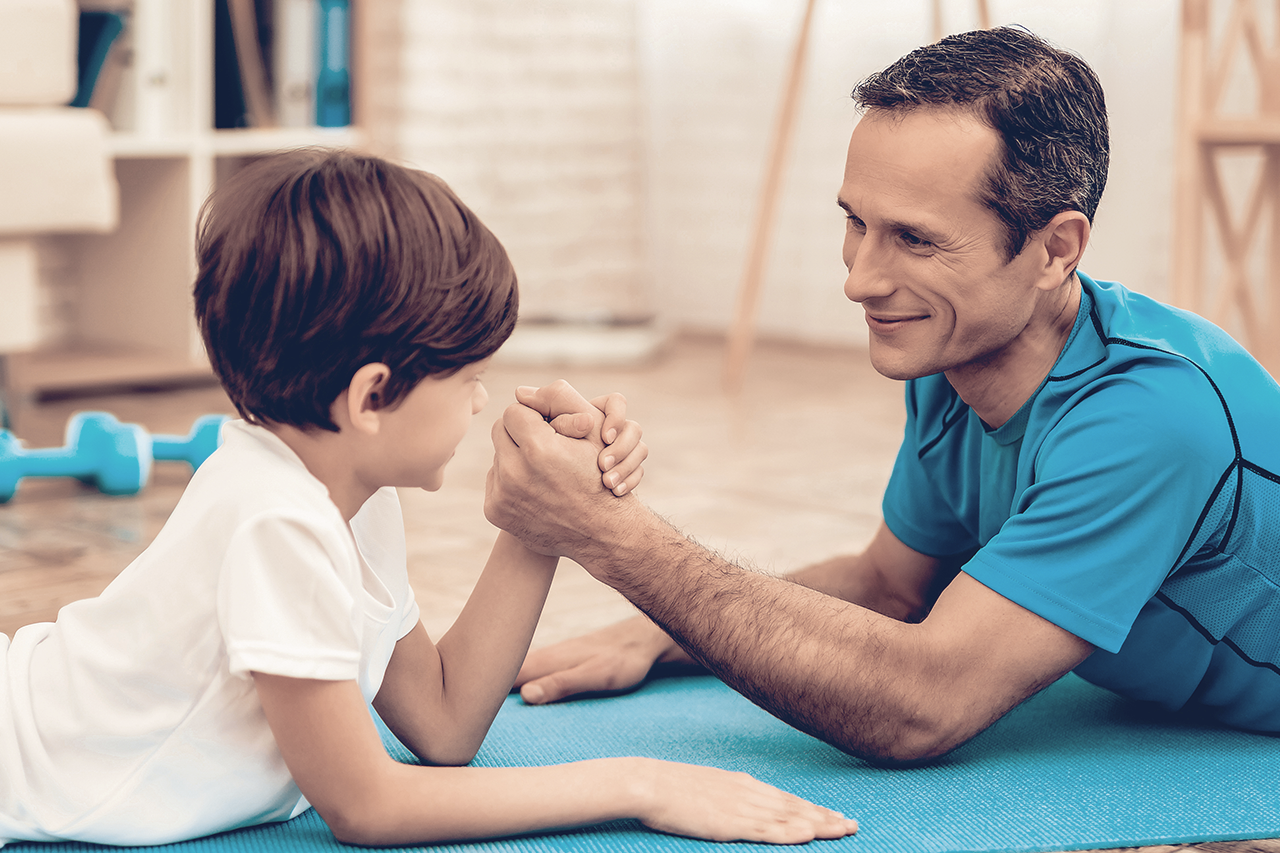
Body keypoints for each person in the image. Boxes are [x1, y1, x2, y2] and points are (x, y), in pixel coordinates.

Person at [0, 150, 859, 847]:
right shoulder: (278, 524)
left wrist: (544, 521)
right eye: (469, 378)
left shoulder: (345, 489)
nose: (483, 400)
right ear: (371, 396)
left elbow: (443, 725)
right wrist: (640, 781)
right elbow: (368, 807)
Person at [489, 26, 1280, 765]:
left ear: (1054, 248)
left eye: (915, 238)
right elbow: (891, 587)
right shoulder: (955, 363)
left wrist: (613, 538)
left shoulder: (1149, 419)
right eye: (855, 222)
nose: (860, 279)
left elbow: (921, 704)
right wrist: (652, 635)